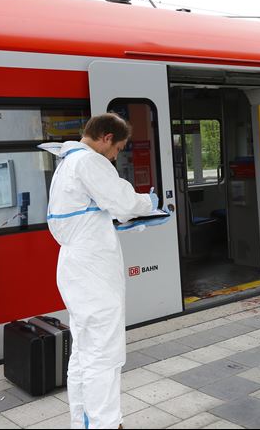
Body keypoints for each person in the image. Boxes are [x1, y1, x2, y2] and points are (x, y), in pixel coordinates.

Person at [40, 113, 167, 429]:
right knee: (104, 354)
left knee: (84, 353)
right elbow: (122, 202)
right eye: (118, 148)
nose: (116, 156)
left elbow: (82, 216)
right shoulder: (89, 162)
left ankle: (85, 422)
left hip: (78, 265)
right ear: (107, 137)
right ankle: (106, 424)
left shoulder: (67, 164)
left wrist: (110, 225)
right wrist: (147, 203)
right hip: (93, 273)